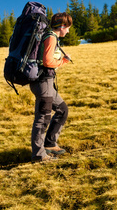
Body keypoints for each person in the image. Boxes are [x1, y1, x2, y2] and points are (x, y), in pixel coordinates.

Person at [30, 12, 73, 162]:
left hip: (47, 83)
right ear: (62, 26)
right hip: (43, 83)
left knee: (62, 110)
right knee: (42, 118)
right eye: (67, 28)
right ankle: (38, 155)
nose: (68, 31)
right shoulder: (50, 37)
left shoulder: (50, 36)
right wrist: (63, 62)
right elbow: (47, 62)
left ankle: (50, 143)